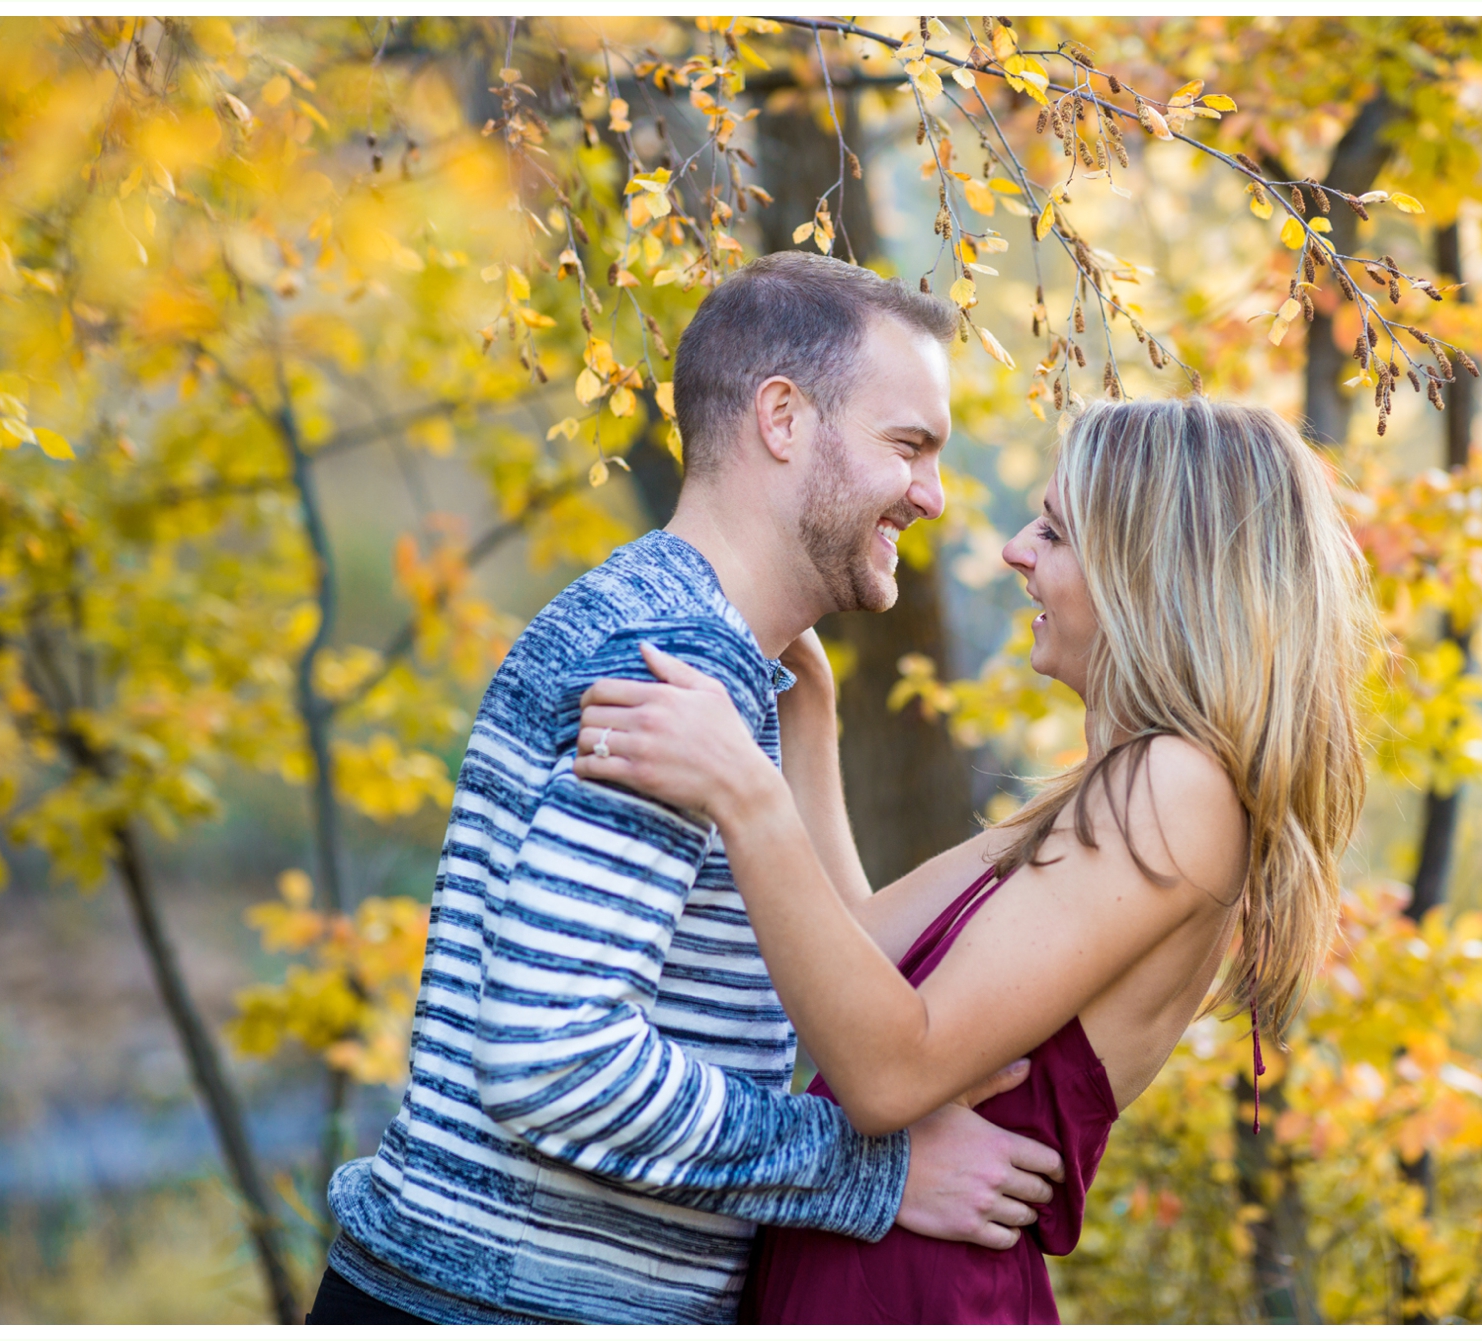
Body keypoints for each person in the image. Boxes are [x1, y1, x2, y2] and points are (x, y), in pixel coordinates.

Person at [311, 252, 1065, 1326]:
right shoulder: (666, 659)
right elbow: (554, 1062)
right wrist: (873, 1174)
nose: (934, 496)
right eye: (908, 446)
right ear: (782, 418)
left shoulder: (694, 659)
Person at [573, 395, 1378, 1323]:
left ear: (1152, 572)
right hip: (870, 1274)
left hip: (921, 1295)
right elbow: (856, 950)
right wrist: (809, 712)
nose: (1015, 550)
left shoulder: (1176, 790)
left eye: (1056, 532)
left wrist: (744, 795)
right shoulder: (1105, 794)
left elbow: (887, 1075)